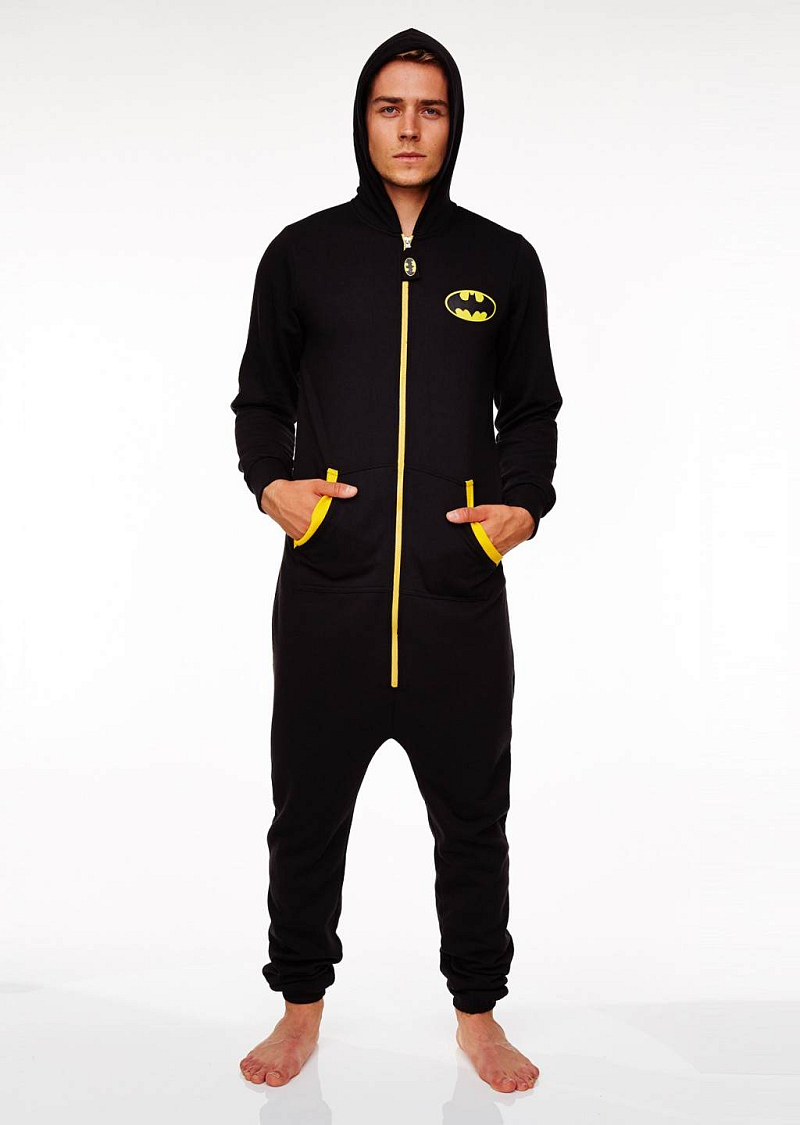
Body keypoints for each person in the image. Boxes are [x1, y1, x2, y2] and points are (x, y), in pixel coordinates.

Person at [231, 26, 562, 1094]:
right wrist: (276, 489)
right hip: (328, 595)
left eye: (430, 108)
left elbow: (533, 411)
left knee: (472, 818)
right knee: (306, 815)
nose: (410, 128)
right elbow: (259, 402)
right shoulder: (302, 253)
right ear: (362, 121)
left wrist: (519, 508)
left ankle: (477, 1014)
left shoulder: (501, 261)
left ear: (453, 123)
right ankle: (299, 1006)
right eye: (390, 107)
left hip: (456, 600)